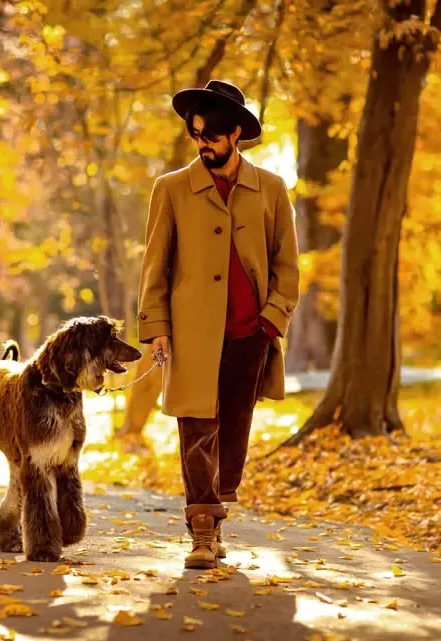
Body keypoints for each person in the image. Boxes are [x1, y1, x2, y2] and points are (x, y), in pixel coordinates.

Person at [136, 80, 300, 569]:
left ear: (235, 136)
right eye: (196, 134)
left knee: (233, 431)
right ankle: (202, 532)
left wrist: (272, 321)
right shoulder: (170, 189)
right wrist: (157, 326)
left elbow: (287, 265)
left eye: (211, 135)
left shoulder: (270, 189)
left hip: (251, 332)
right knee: (196, 426)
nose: (202, 143)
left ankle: (217, 512)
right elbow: (155, 264)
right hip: (190, 332)